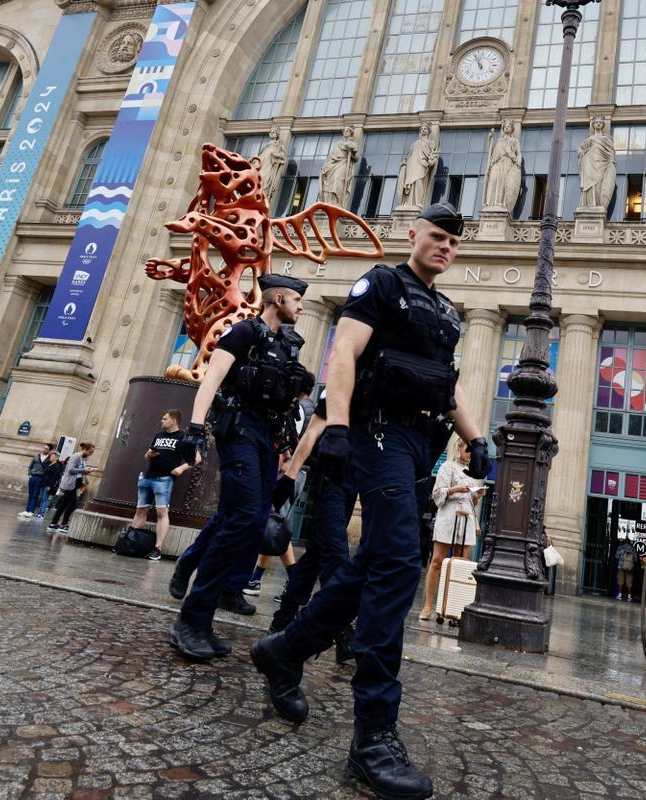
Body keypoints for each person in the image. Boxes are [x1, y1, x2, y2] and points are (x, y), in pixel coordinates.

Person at [251, 202, 489, 800]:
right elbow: (345, 352)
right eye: (436, 237)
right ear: (414, 234)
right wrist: (335, 423)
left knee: (371, 561)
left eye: (453, 243)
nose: (445, 248)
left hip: (419, 442)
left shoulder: (445, 311)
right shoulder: (382, 283)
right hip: (377, 432)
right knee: (400, 562)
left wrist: (476, 436)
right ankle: (373, 736)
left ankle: (286, 650)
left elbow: (448, 384)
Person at [166, 273, 312, 659]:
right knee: (246, 520)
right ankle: (191, 620)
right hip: (239, 431)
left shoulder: (287, 345)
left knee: (244, 521)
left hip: (267, 438)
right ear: (277, 298)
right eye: (296, 299)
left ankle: (203, 611)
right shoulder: (243, 333)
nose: (300, 306)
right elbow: (211, 381)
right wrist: (195, 429)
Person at [269, 396, 359, 665]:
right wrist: (290, 476)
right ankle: (342, 630)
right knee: (336, 555)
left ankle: (284, 614)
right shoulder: (337, 390)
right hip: (329, 479)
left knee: (318, 553)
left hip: (352, 483)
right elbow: (311, 434)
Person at [419, 439, 486, 621]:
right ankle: (427, 606)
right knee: (437, 562)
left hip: (467, 518)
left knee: (461, 565)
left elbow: (471, 501)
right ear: (459, 449)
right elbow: (437, 494)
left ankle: (454, 608)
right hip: (449, 515)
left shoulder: (474, 472)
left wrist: (477, 496)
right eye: (468, 451)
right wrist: (456, 489)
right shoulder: (447, 467)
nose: (471, 454)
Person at [129, 409, 199, 561]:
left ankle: (157, 548)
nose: (162, 421)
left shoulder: (184, 437)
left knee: (162, 513)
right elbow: (146, 454)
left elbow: (197, 458)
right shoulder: (158, 435)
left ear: (174, 420)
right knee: (140, 511)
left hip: (164, 479)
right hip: (147, 477)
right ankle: (132, 542)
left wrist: (181, 468)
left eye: (165, 419)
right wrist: (150, 454)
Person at [48, 442, 97, 533]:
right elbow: (70, 469)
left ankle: (54, 523)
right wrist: (84, 470)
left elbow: (78, 471)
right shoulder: (76, 456)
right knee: (73, 504)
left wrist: (86, 471)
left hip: (74, 484)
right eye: (90, 452)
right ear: (85, 449)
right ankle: (63, 524)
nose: (91, 454)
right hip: (70, 484)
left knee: (64, 504)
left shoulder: (82, 458)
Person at [19, 444, 53, 518]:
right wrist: (30, 473)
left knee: (35, 495)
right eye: (44, 448)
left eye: (46, 449)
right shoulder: (36, 456)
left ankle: (31, 511)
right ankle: (26, 510)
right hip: (32, 477)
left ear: (49, 451)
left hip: (40, 478)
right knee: (30, 494)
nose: (44, 450)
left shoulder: (49, 459)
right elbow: (30, 466)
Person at [40, 451, 65, 518]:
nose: (50, 457)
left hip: (48, 484)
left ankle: (42, 514)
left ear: (56, 458)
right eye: (50, 456)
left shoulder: (56, 466)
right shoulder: (49, 464)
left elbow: (55, 477)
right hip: (43, 483)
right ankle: (39, 512)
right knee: (42, 498)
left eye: (52, 456)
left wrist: (50, 486)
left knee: (45, 499)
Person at [614, 538, 637, 602]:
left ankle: (620, 595)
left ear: (624, 542)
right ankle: (629, 597)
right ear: (630, 543)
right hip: (629, 568)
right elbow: (635, 559)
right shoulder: (633, 549)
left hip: (621, 567)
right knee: (629, 583)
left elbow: (616, 556)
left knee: (620, 582)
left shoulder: (620, 547)